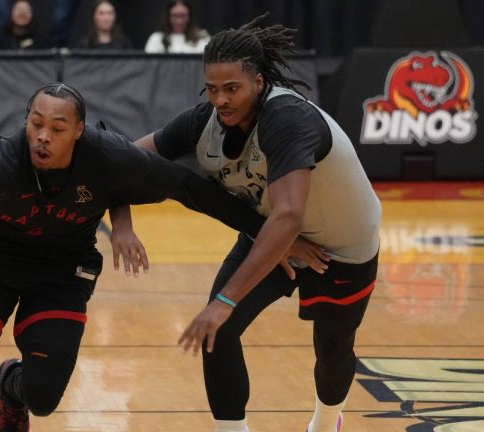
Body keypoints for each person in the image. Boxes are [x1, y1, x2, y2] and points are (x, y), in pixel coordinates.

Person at [0, 83, 325, 432]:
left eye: (56, 127)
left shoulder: (110, 156)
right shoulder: (2, 159)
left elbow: (192, 190)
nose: (42, 136)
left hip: (62, 272)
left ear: (79, 130)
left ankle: (12, 388)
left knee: (44, 397)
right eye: (35, 123)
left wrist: (271, 235)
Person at [110, 14, 381, 432]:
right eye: (212, 89)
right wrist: (122, 225)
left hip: (342, 245)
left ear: (258, 82)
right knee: (218, 332)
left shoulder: (286, 118)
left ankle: (326, 423)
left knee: (333, 348)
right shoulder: (202, 122)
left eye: (232, 88)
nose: (220, 99)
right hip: (271, 233)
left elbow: (289, 215)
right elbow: (120, 164)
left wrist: (224, 300)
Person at [144, 0, 210, 54]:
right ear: (168, 17)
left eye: (183, 16)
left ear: (189, 16)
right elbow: (149, 63)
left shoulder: (202, 38)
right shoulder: (157, 39)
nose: (179, 21)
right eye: (175, 16)